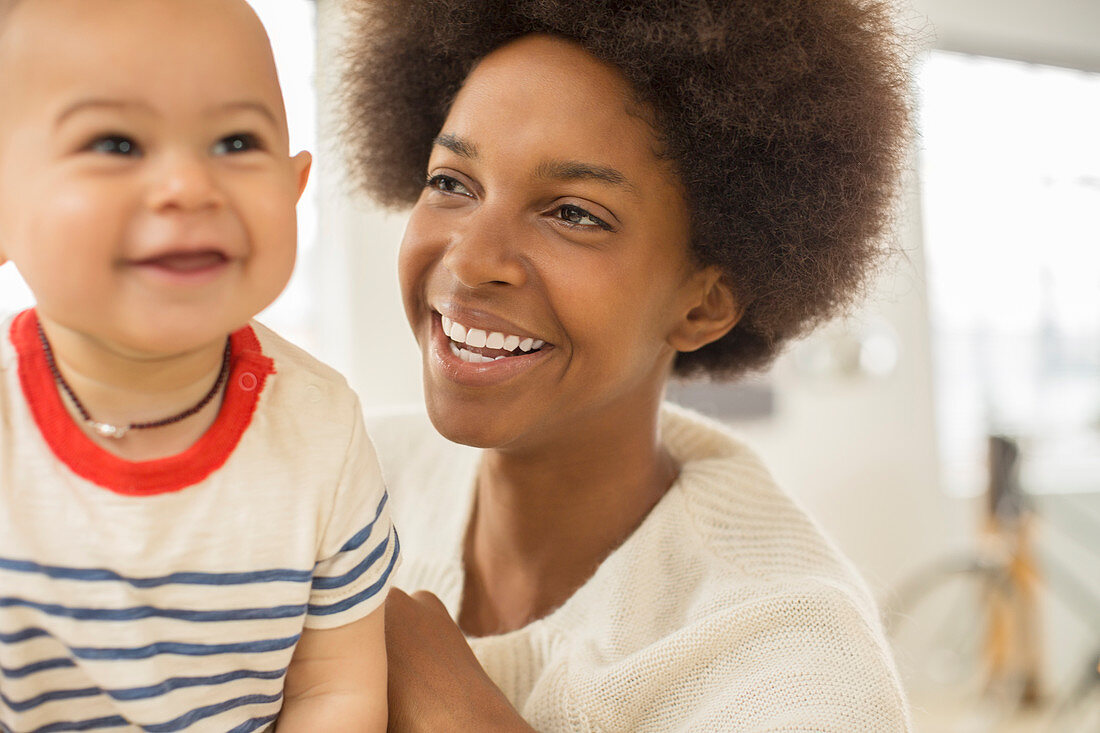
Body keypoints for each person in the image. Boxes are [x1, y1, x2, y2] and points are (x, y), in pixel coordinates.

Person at [343, 0, 912, 730]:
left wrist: (455, 708)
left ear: (704, 304)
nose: (472, 258)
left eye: (574, 213)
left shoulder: (795, 663)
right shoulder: (344, 479)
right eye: (452, 182)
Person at [0, 1, 397, 730]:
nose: (188, 185)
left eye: (235, 141)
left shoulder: (321, 428)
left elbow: (332, 692)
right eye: (116, 143)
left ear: (295, 184)